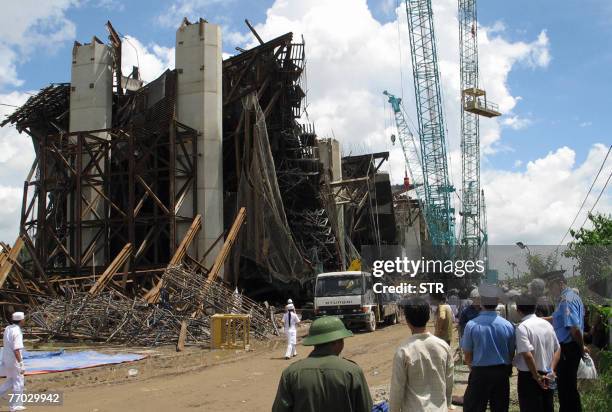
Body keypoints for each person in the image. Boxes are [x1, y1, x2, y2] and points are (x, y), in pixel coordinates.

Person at [272, 316, 372, 412]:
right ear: (337, 342)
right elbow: (366, 408)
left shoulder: (291, 373)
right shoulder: (352, 371)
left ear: (315, 342)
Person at [390, 297, 454, 412]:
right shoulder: (443, 346)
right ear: (428, 316)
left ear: (407, 321)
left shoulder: (403, 351)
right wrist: (448, 404)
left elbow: (397, 389)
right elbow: (449, 381)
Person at [461, 284, 515, 412]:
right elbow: (511, 352)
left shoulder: (471, 325)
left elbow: (467, 354)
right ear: (497, 302)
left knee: (473, 408)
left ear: (481, 303)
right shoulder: (507, 325)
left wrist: (472, 368)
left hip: (479, 373)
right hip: (501, 374)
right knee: (500, 408)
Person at [542, 270, 585, 412]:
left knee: (567, 390)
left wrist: (581, 347)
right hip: (568, 349)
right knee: (568, 388)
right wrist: (536, 320)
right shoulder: (570, 297)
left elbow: (574, 328)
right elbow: (556, 319)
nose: (550, 290)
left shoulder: (567, 300)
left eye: (551, 286)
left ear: (560, 284)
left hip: (568, 350)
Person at [513, 294, 560, 412]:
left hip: (530, 376)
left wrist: (536, 376)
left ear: (518, 310)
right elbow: (558, 348)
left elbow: (527, 355)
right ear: (535, 308)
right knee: (547, 406)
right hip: (548, 374)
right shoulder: (547, 324)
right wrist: (552, 369)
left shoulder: (522, 327)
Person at [0, 312, 26, 412]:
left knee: (11, 381)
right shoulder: (17, 331)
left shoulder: (8, 328)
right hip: (14, 361)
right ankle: (15, 406)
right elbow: (16, 350)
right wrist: (21, 363)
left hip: (6, 359)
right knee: (19, 381)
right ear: (21, 320)